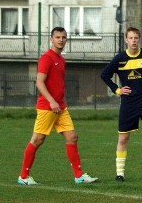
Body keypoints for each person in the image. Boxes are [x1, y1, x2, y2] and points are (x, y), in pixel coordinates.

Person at [18, 27, 98, 186]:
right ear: (51, 39)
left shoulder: (61, 60)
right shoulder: (46, 58)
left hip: (61, 108)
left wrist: (63, 101)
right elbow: (39, 83)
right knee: (37, 139)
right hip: (47, 107)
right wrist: (51, 101)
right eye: (58, 37)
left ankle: (79, 176)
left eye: (63, 37)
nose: (61, 40)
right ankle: (23, 177)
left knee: (72, 137)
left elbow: (59, 84)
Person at [101, 27, 142, 182]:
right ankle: (120, 174)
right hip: (128, 103)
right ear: (126, 40)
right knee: (123, 139)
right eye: (131, 38)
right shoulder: (120, 58)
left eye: (136, 38)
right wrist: (117, 89)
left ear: (139, 39)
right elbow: (105, 75)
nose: (134, 41)